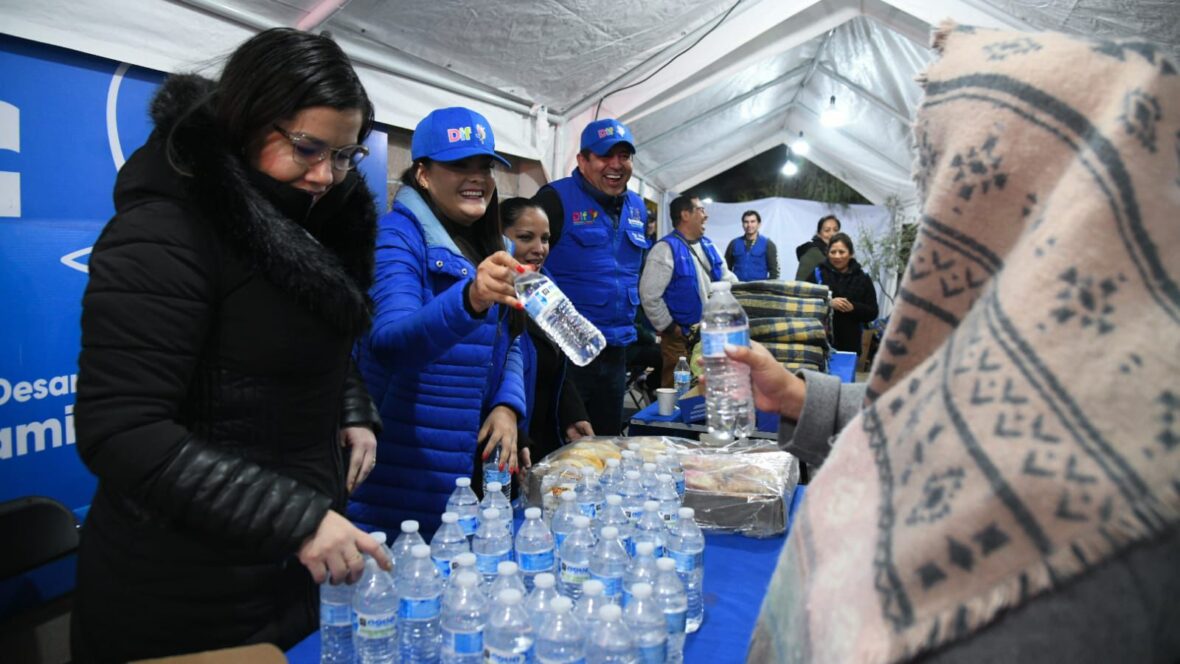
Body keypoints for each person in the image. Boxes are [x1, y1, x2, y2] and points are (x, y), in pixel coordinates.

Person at [740, 22, 1180, 663]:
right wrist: (798, 395)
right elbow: (946, 413)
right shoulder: (1058, 353)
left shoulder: (1103, 543)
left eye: (959, 190)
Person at [72, 29, 388, 662]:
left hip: (280, 572)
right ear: (245, 122)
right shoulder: (165, 231)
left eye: (347, 154)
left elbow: (303, 332)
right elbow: (121, 428)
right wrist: (296, 518)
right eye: (308, 148)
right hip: (180, 589)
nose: (327, 175)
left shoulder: (299, 216)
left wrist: (349, 406)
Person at [350, 107, 527, 535]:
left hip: (473, 469)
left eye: (484, 165)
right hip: (405, 471)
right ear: (424, 174)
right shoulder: (395, 238)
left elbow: (516, 337)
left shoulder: (494, 244)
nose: (477, 177)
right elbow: (391, 343)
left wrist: (507, 405)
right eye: (458, 165)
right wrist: (470, 299)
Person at [533, 118, 649, 435]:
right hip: (566, 354)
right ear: (583, 160)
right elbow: (527, 269)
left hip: (615, 352)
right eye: (604, 156)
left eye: (624, 156)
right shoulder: (554, 200)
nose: (616, 165)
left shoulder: (638, 207)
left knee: (606, 443)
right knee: (562, 446)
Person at [499, 197, 593, 465]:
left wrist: (572, 413)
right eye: (526, 237)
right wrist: (516, 433)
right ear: (500, 238)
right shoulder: (488, 296)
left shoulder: (546, 286)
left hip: (544, 437)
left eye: (546, 239)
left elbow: (558, 362)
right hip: (511, 443)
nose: (540, 249)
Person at [639, 195, 738, 387]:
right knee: (678, 394)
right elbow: (649, 296)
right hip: (680, 342)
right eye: (701, 210)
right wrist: (671, 328)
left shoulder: (709, 246)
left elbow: (728, 280)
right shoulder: (665, 250)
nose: (706, 215)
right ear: (685, 215)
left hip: (711, 337)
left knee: (707, 392)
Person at [805, 231, 878, 354]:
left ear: (851, 254)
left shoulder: (863, 278)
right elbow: (804, 303)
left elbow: (873, 312)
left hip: (850, 345)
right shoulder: (817, 274)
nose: (837, 256)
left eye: (842, 252)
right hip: (819, 343)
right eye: (833, 252)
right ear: (827, 253)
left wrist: (853, 307)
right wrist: (828, 303)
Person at [725, 209, 779, 281]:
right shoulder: (734, 243)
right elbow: (725, 269)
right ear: (742, 224)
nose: (749, 225)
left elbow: (774, 272)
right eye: (746, 222)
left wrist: (768, 289)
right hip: (737, 288)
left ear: (759, 224)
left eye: (752, 221)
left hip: (759, 289)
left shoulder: (768, 244)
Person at [794, 214, 840, 281]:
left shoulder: (838, 254)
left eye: (835, 230)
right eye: (827, 230)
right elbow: (800, 284)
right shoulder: (813, 253)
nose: (832, 234)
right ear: (819, 234)